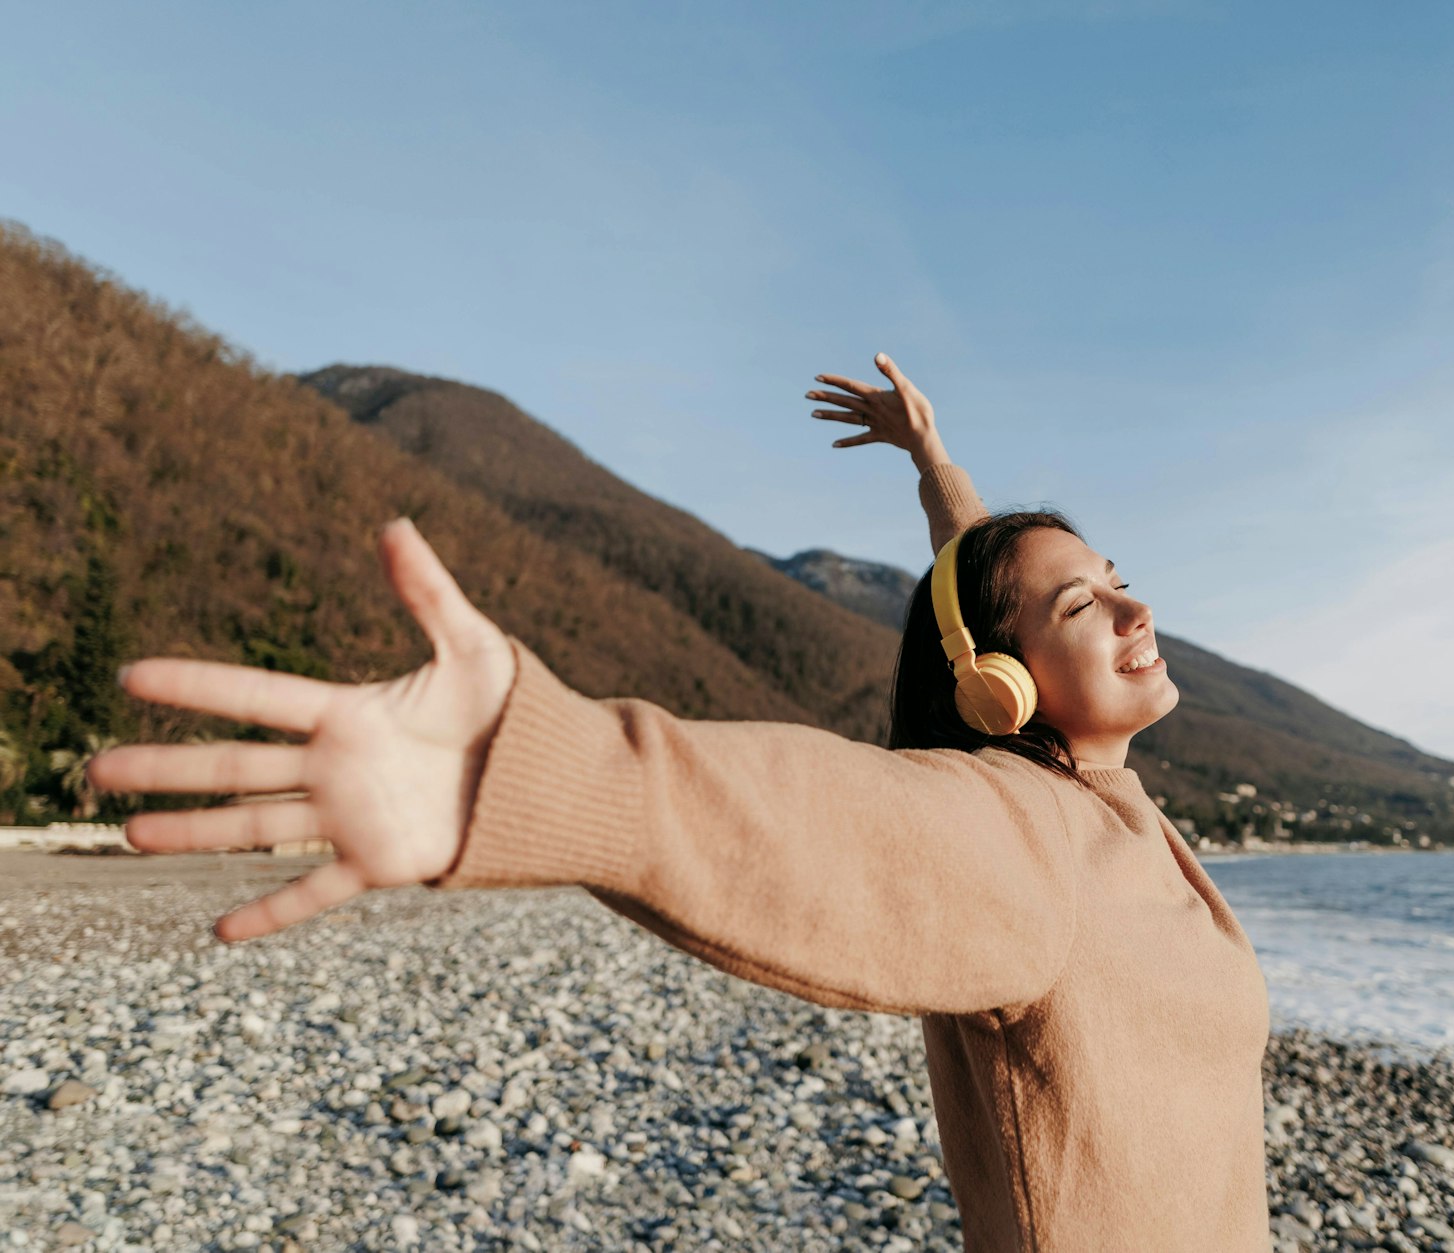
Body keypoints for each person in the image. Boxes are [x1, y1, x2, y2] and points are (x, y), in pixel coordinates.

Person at [89, 351, 1273, 1251]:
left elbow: (986, 575)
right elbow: (828, 817)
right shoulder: (1025, 836)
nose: (1132, 608)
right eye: (1085, 606)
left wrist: (935, 469)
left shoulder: (1104, 806)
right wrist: (535, 765)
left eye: (1117, 580)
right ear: (993, 686)